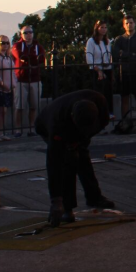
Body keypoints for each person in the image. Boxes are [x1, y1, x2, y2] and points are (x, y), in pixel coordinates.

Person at [34, 89, 115, 226]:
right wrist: (56, 200)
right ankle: (67, 207)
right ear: (72, 117)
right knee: (67, 161)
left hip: (80, 128)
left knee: (82, 156)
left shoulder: (100, 104)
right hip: (45, 125)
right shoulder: (58, 123)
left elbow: (101, 124)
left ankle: (93, 196)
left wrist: (80, 140)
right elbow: (54, 164)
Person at [111, 14, 136, 129]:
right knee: (124, 97)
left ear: (135, 24)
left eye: (131, 22)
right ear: (123, 25)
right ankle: (124, 121)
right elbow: (116, 54)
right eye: (127, 23)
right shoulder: (119, 39)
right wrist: (130, 55)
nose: (129, 25)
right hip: (124, 72)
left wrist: (125, 55)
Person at [11, 24, 44, 136]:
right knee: (19, 106)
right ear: (21, 34)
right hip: (21, 80)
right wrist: (31, 60)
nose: (28, 34)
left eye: (30, 32)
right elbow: (21, 56)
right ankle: (18, 129)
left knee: (33, 106)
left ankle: (31, 128)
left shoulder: (38, 46)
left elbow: (41, 59)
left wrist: (30, 60)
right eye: (26, 32)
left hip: (35, 79)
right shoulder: (17, 46)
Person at [85, 20, 114, 121]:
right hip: (96, 70)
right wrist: (98, 70)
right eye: (101, 27)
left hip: (107, 69)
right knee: (98, 94)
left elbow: (109, 56)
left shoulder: (107, 41)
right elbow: (89, 58)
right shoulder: (91, 41)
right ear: (97, 28)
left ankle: (109, 113)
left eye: (105, 27)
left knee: (108, 93)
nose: (103, 30)